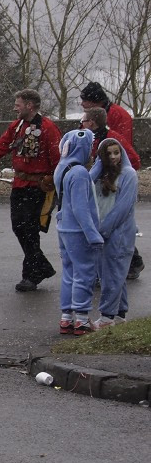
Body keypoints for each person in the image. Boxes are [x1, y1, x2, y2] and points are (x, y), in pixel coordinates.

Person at [0, 89, 61, 292]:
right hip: (19, 185)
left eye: (18, 104)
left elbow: (58, 159)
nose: (14, 108)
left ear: (29, 105)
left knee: (30, 230)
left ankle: (31, 275)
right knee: (19, 227)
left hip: (37, 187)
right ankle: (40, 267)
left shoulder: (48, 128)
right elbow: (0, 148)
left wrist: (54, 180)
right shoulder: (16, 126)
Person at [80, 104, 143, 280]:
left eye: (84, 121)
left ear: (91, 122)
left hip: (114, 222)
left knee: (117, 261)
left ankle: (132, 263)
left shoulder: (112, 138)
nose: (82, 124)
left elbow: (132, 160)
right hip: (102, 208)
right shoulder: (90, 139)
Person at [54, 129, 103, 336]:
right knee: (84, 273)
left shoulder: (63, 168)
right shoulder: (80, 172)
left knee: (69, 273)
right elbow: (81, 208)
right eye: (90, 146)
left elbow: (70, 192)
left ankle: (66, 317)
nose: (91, 150)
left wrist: (98, 166)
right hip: (77, 231)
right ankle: (82, 319)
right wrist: (93, 234)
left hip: (64, 226)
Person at [90, 138, 138, 329]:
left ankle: (108, 316)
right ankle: (119, 313)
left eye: (116, 153)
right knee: (113, 274)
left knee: (112, 275)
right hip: (104, 233)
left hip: (119, 234)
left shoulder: (128, 175)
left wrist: (104, 230)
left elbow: (122, 208)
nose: (113, 157)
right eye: (108, 154)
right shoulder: (102, 174)